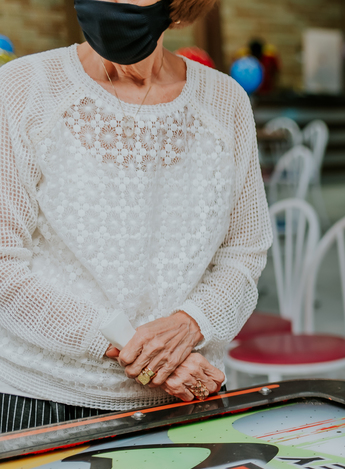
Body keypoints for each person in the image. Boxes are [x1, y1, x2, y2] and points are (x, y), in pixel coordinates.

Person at [0, 0, 273, 433]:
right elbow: (4, 267)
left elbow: (244, 254)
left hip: (187, 397)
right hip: (45, 400)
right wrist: (149, 354)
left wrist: (189, 325)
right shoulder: (22, 88)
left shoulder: (226, 102)